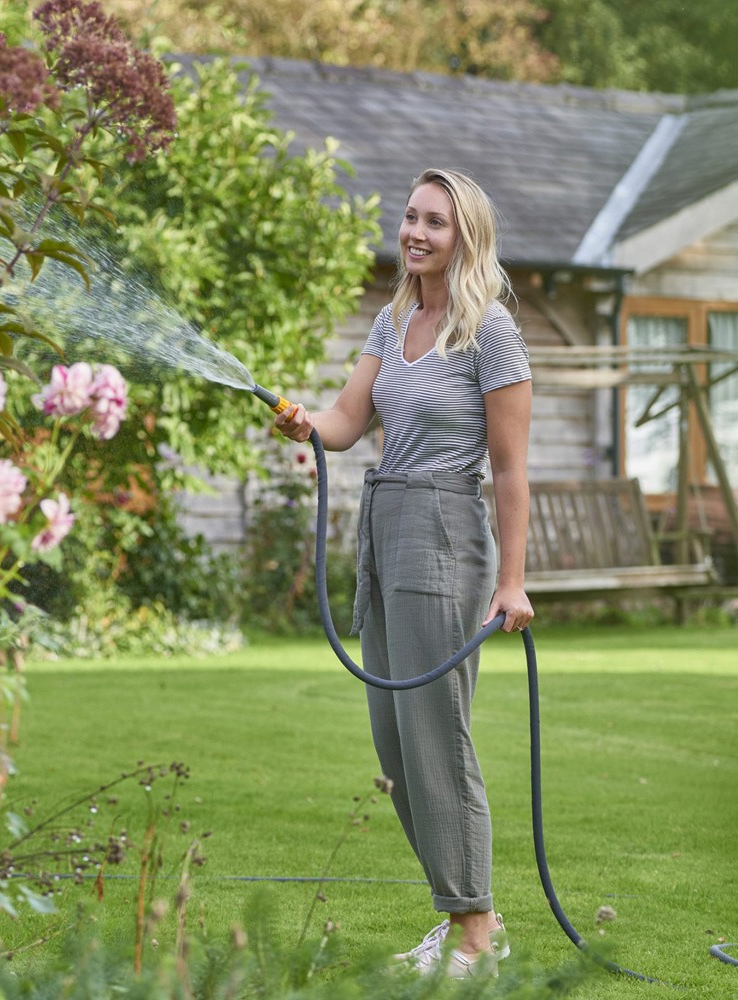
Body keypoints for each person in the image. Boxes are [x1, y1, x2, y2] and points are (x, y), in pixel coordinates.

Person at [274, 167, 534, 978]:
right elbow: (347, 424)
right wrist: (300, 421)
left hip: (443, 528)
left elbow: (513, 467)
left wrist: (513, 581)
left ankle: (476, 935)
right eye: (411, 217)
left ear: (466, 237)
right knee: (394, 742)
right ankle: (463, 915)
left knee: (435, 734)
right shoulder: (393, 323)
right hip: (386, 524)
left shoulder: (488, 330)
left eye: (436, 222)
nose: (416, 232)